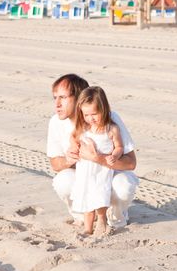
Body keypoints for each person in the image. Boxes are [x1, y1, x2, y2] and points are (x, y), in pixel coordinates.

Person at [47, 74, 139, 229]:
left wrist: (98, 158)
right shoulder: (56, 122)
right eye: (55, 98)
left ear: (79, 98)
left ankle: (116, 217)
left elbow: (131, 163)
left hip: (108, 173)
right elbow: (55, 164)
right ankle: (81, 216)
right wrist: (69, 160)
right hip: (83, 175)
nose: (57, 104)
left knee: (125, 185)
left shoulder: (109, 119)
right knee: (62, 181)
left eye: (63, 97)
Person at [70, 86, 124, 236]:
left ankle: (101, 220)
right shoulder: (84, 127)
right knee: (87, 198)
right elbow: (73, 137)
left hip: (102, 170)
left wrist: (115, 155)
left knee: (100, 195)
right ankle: (87, 228)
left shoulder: (111, 129)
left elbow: (119, 146)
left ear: (104, 109)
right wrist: (73, 147)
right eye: (86, 114)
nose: (91, 118)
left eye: (94, 114)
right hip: (85, 170)